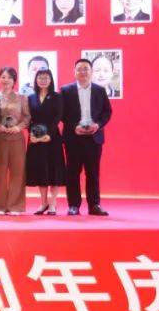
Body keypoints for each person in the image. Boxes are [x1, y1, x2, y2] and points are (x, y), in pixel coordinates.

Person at [61, 58, 113, 216]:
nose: (83, 72)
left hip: (94, 137)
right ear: (74, 72)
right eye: (79, 69)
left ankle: (94, 205)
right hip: (73, 137)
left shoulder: (99, 90)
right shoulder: (66, 90)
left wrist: (98, 125)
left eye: (86, 69)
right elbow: (62, 113)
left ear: (91, 72)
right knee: (72, 173)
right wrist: (74, 127)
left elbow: (107, 111)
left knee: (93, 173)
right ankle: (73, 205)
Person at [26, 68, 65, 215]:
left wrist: (49, 134)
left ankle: (53, 204)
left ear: (51, 80)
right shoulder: (31, 98)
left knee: (54, 170)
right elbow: (28, 118)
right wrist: (31, 134)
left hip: (52, 138)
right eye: (40, 77)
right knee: (40, 170)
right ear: (36, 80)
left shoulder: (57, 97)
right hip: (36, 139)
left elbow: (58, 117)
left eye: (46, 77)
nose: (43, 80)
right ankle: (43, 203)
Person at [0, 67, 29, 215]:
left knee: (18, 172)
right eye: (3, 77)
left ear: (14, 80)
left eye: (9, 77)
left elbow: (27, 117)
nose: (5, 80)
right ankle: (0, 206)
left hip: (16, 139)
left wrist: (18, 127)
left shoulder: (22, 98)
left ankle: (15, 206)